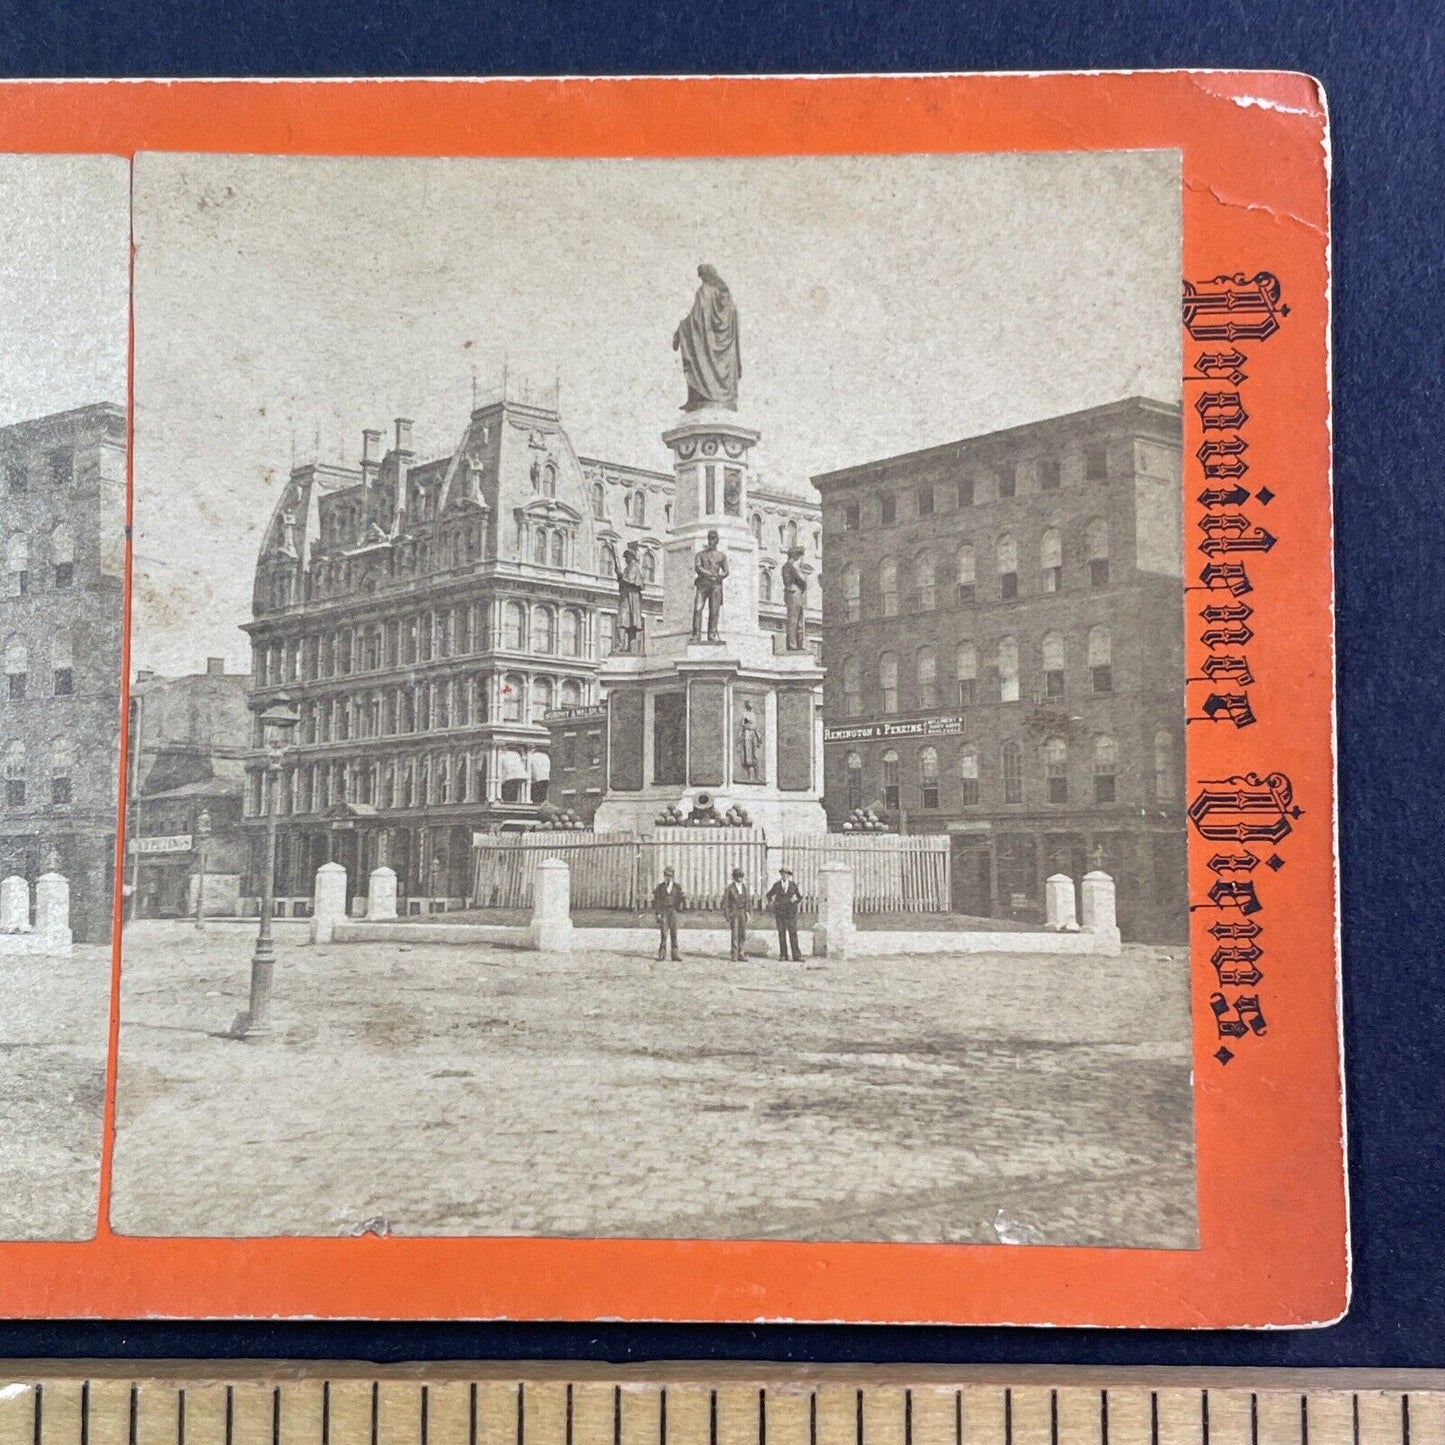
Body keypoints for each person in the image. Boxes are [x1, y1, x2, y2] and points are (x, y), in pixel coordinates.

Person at [691, 529, 729, 642]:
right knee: (697, 609)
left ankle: (712, 634)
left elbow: (726, 571)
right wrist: (709, 574)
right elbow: (698, 567)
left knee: (714, 611)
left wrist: (719, 576)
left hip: (715, 585)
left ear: (717, 540)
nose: (711, 541)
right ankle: (696, 635)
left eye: (713, 538)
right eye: (709, 538)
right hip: (702, 584)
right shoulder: (700, 555)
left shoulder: (722, 556)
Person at [765, 866, 804, 961]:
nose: (784, 875)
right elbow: (768, 895)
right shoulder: (777, 885)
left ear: (789, 875)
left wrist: (794, 902)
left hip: (790, 913)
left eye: (786, 874)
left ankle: (796, 956)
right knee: (781, 933)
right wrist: (773, 903)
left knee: (793, 933)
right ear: (781, 874)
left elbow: (799, 897)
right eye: (783, 873)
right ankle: (783, 955)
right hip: (780, 913)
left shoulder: (793, 885)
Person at [614, 542, 645, 653]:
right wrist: (620, 576)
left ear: (631, 556)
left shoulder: (634, 567)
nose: (625, 559)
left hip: (631, 598)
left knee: (624, 622)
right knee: (626, 622)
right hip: (626, 596)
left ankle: (624, 646)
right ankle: (625, 646)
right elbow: (624, 582)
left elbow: (631, 581)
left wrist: (621, 575)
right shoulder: (629, 567)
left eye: (626, 556)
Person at [652, 865, 685, 961]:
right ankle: (661, 955)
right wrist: (658, 913)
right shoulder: (660, 887)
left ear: (673, 876)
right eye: (666, 875)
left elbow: (680, 901)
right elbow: (657, 901)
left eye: (670, 875)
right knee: (664, 934)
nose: (668, 877)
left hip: (673, 911)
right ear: (664, 875)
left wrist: (679, 907)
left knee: (674, 933)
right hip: (663, 912)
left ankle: (674, 955)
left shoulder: (677, 887)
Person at [782, 545, 808, 652]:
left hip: (795, 593)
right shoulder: (790, 566)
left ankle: (797, 643)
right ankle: (793, 644)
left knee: (798, 620)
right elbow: (802, 580)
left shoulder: (789, 566)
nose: (799, 557)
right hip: (794, 592)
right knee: (794, 619)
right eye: (798, 555)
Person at [722, 866, 750, 960]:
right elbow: (725, 902)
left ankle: (741, 954)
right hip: (734, 913)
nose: (740, 878)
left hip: (742, 912)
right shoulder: (730, 888)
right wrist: (727, 914)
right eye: (738, 876)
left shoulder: (744, 887)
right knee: (735, 933)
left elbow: (748, 900)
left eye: (741, 876)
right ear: (734, 877)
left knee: (742, 933)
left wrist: (748, 912)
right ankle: (734, 954)